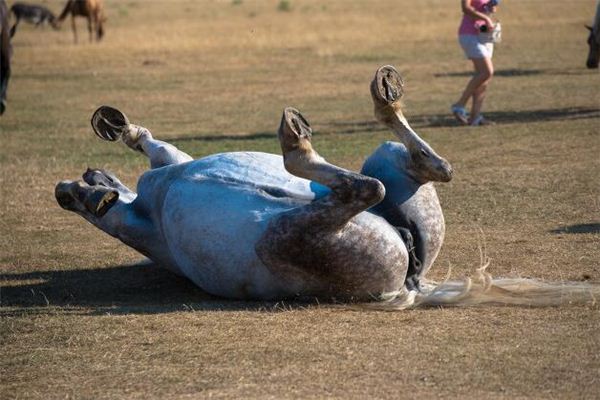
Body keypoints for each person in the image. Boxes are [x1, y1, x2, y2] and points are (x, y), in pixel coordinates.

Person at [451, 0, 499, 126]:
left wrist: (490, 7)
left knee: (484, 78)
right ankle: (459, 105)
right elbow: (466, 8)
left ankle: (475, 117)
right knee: (486, 72)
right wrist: (486, 19)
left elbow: (488, 10)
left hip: (483, 33)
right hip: (469, 34)